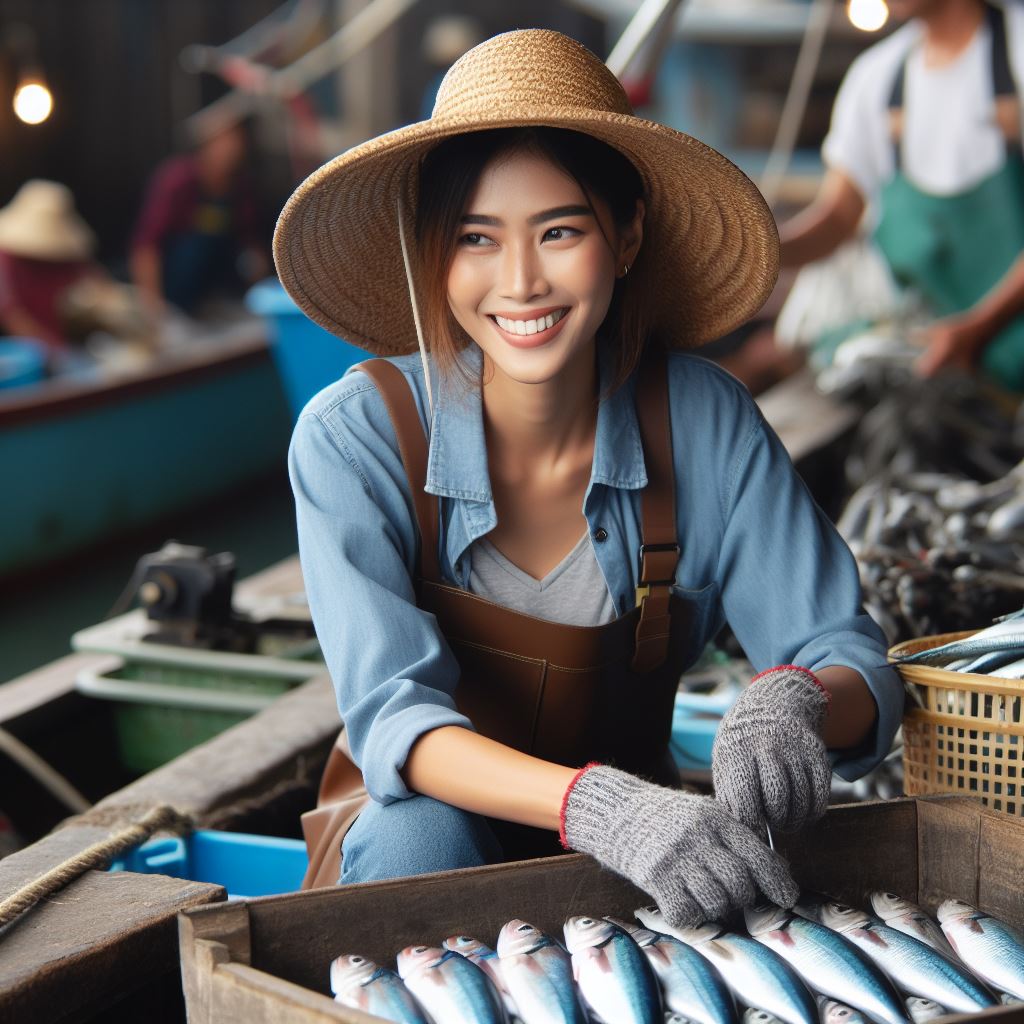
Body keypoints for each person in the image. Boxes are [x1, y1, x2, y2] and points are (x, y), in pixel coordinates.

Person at [278, 29, 902, 926]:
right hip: (441, 843)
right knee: (423, 832)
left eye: (560, 231)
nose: (521, 281)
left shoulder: (704, 419)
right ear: (435, 255)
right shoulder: (356, 438)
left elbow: (847, 657)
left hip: (656, 851)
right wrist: (601, 808)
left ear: (628, 235)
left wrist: (794, 700)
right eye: (477, 238)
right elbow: (395, 723)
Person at [779, 0, 1024, 389]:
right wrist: (762, 251)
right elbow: (839, 216)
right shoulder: (876, 78)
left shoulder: (1017, 50)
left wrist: (979, 328)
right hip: (946, 347)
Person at [130, 115, 269, 319]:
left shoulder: (240, 186)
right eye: (223, 140)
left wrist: (261, 292)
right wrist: (153, 310)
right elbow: (145, 248)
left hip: (219, 293)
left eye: (235, 139)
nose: (231, 148)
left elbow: (250, 244)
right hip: (173, 286)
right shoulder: (176, 180)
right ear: (205, 143)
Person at [0, 179, 103, 361]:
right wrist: (54, 350)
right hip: (35, 353)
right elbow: (11, 314)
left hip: (75, 341)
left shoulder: (68, 253)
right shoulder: (6, 259)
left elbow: (98, 285)